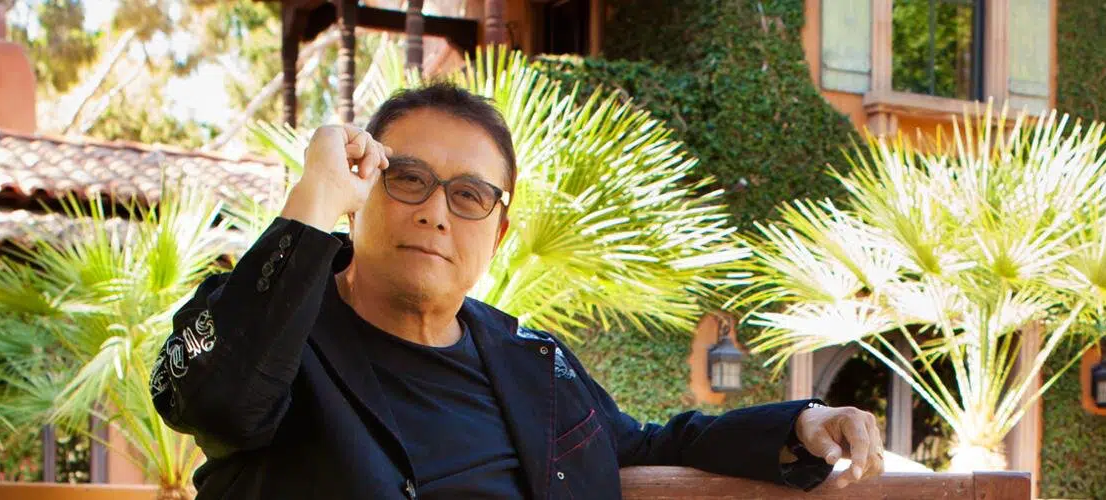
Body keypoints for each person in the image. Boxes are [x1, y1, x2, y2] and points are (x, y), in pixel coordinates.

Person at [150, 83, 885, 499]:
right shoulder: (273, 334)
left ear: (498, 232)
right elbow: (211, 401)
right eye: (407, 179)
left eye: (469, 195)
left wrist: (802, 423)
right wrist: (313, 195)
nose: (436, 213)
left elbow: (643, 443)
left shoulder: (533, 361)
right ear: (360, 193)